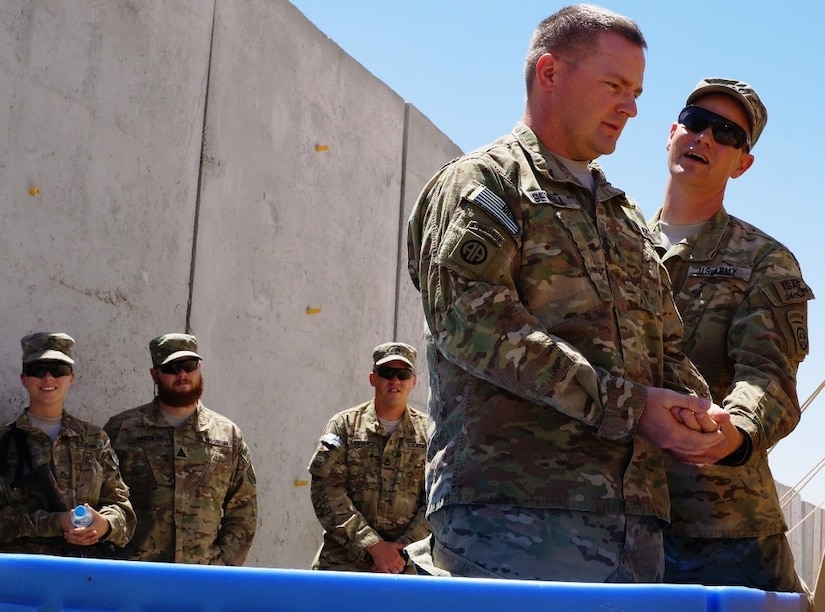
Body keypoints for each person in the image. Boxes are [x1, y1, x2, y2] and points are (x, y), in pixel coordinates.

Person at [406, 4, 732, 583]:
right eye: (614, 85)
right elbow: (477, 327)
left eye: (636, 91)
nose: (631, 107)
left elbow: (666, 348)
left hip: (635, 526)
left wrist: (697, 413)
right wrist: (634, 408)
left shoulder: (622, 216)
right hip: (516, 520)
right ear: (550, 72)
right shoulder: (485, 186)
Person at [647, 78, 814, 601]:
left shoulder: (763, 261)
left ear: (742, 163)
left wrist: (733, 433)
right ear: (672, 131)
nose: (705, 138)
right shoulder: (611, 245)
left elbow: (768, 377)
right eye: (695, 122)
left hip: (722, 535)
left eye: (727, 133)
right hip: (615, 528)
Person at [103, 333, 257, 565]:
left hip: (202, 578)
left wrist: (224, 566)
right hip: (137, 576)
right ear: (155, 375)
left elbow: (243, 512)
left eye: (189, 365)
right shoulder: (123, 430)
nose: (182, 374)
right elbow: (103, 499)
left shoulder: (227, 436)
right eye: (172, 367)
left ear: (199, 367)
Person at [0, 332, 136, 556]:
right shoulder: (5, 441)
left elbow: (123, 510)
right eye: (37, 370)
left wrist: (104, 525)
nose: (48, 378)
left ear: (71, 377)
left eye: (58, 369)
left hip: (83, 574)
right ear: (23, 378)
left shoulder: (94, 439)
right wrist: (56, 522)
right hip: (21, 574)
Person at [307, 342, 429, 573]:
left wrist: (401, 551)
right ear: (373, 379)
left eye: (402, 374)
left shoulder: (430, 432)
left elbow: (438, 499)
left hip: (409, 567)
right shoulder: (344, 425)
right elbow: (327, 491)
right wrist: (372, 546)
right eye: (386, 373)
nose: (394, 381)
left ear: (414, 381)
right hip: (344, 565)